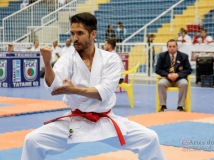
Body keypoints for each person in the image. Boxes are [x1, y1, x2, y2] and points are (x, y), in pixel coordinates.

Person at [21, 12, 166, 160]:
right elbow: (54, 87)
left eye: (80, 33)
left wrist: (74, 90)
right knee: (32, 140)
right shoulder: (68, 59)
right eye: (72, 33)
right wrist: (47, 63)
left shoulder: (110, 59)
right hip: (76, 121)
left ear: (93, 34)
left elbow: (105, 91)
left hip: (105, 120)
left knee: (150, 139)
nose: (75, 38)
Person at [155, 39, 192, 112]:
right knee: (161, 83)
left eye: (174, 46)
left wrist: (178, 74)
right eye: (170, 46)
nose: (172, 48)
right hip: (167, 78)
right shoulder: (162, 56)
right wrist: (167, 75)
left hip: (179, 79)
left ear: (177, 47)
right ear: (167, 47)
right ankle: (163, 105)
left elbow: (189, 70)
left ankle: (180, 106)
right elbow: (157, 69)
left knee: (184, 83)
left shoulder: (184, 56)